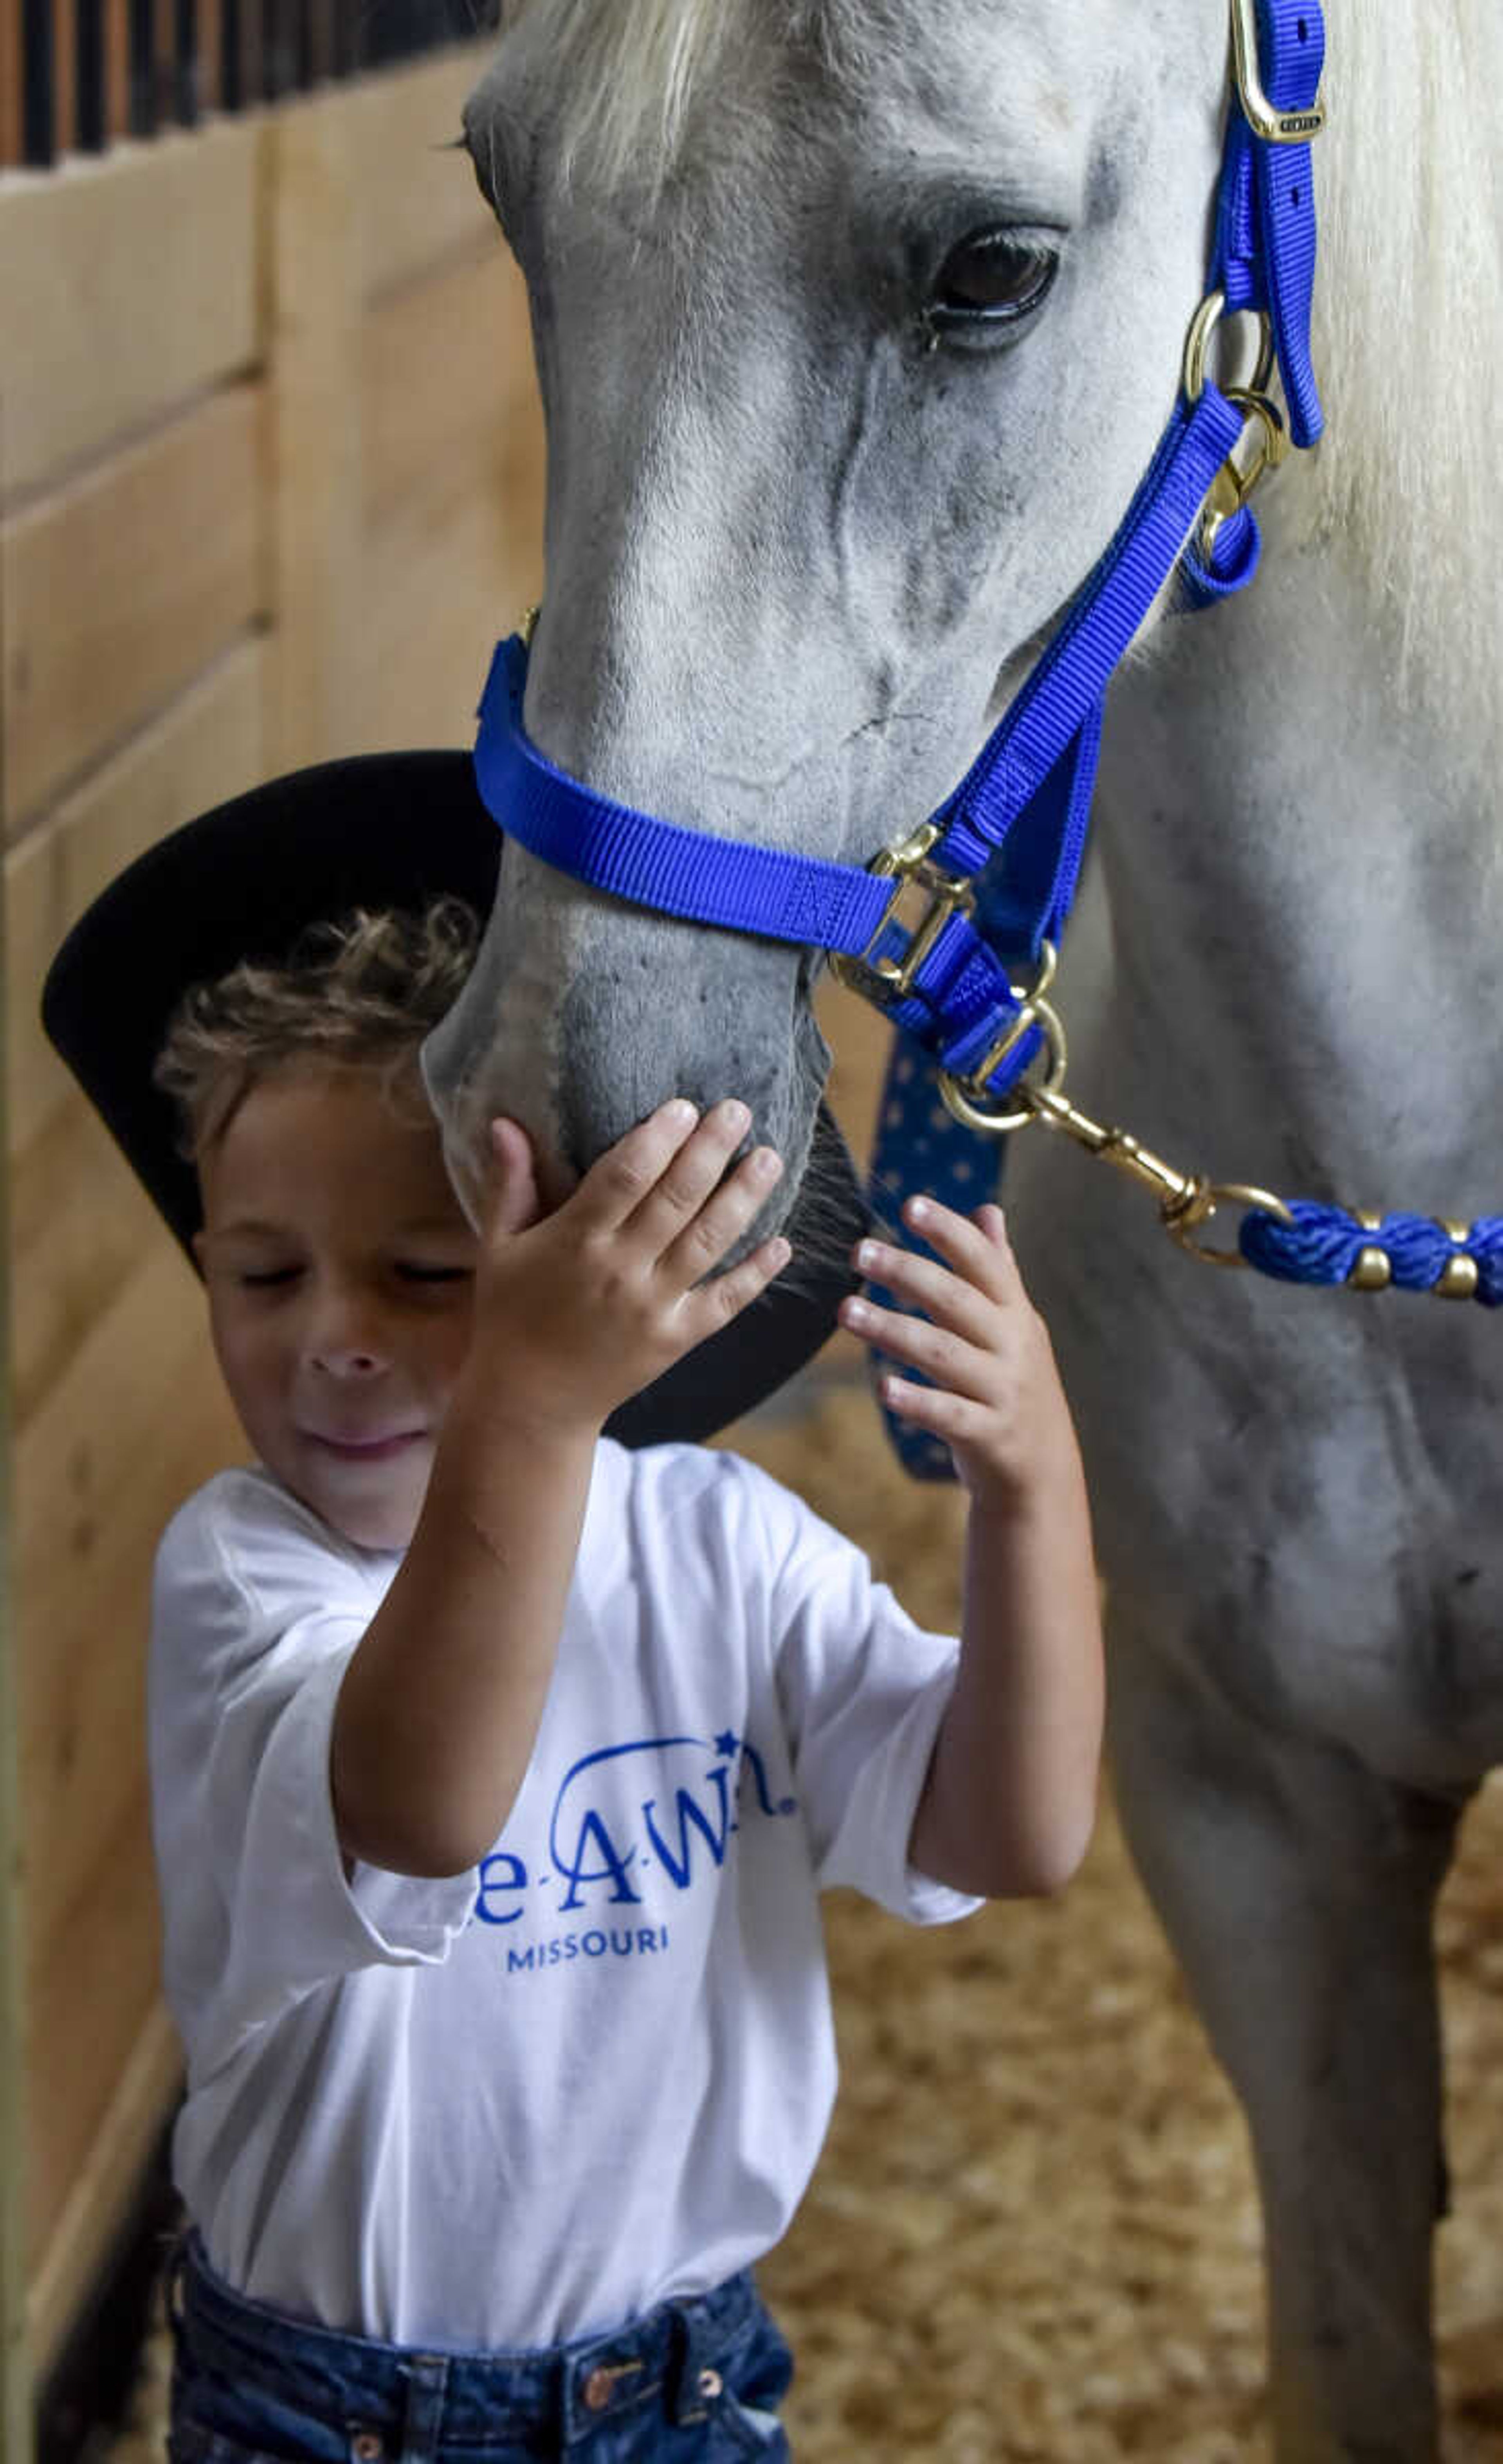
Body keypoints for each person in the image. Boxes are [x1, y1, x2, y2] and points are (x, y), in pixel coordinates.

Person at [41, 757, 1103, 2464]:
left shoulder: (724, 1549)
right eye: (260, 1270)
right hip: (330, 2412)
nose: (334, 1333)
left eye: (428, 1272)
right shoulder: (243, 1572)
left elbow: (1014, 1829)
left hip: (678, 2391)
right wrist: (524, 1400)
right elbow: (422, 1806)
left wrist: (1035, 1492)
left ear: (615, 1276)